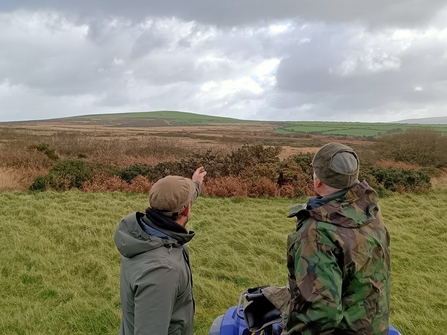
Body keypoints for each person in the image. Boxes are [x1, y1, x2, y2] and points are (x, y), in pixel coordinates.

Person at [283, 143, 390, 335]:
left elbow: (317, 316)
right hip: (373, 326)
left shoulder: (317, 233)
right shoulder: (369, 210)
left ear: (318, 182)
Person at [114, 167, 207, 335]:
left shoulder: (140, 234)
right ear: (186, 210)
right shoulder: (162, 271)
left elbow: (183, 204)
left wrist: (196, 183)